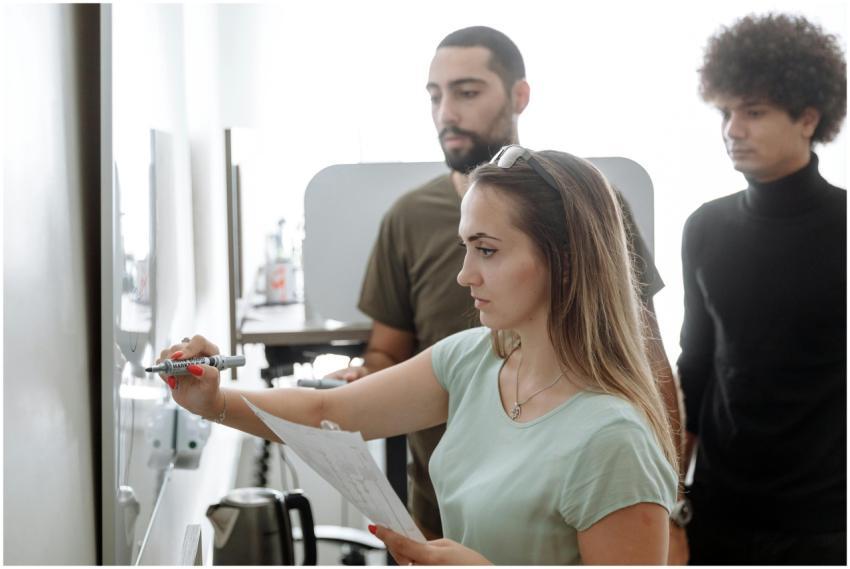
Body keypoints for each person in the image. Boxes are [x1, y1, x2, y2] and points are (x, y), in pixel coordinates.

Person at [159, 147, 679, 564]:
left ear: (564, 261)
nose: (465, 274)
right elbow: (329, 413)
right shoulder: (473, 360)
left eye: (488, 250)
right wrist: (214, 400)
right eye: (464, 248)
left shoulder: (614, 441)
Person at [327, 25, 686, 551]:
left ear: (519, 95)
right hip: (438, 505)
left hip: (560, 507)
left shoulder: (583, 210)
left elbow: (645, 354)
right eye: (435, 95)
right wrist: (363, 379)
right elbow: (387, 349)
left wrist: (667, 506)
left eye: (466, 92)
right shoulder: (407, 219)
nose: (446, 111)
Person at [678, 13, 846, 564]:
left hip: (826, 524)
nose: (732, 129)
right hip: (719, 513)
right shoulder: (705, 227)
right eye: (725, 112)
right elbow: (697, 368)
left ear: (807, 117)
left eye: (753, 112)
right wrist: (671, 491)